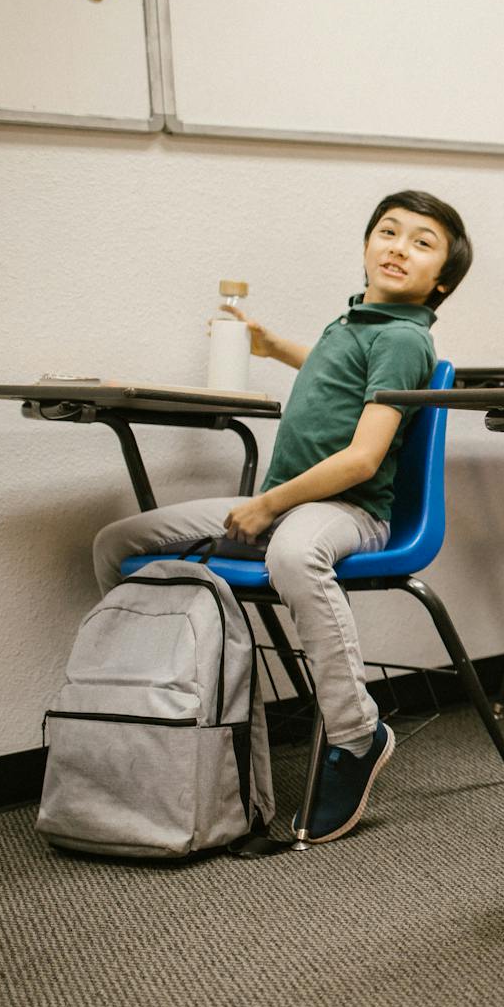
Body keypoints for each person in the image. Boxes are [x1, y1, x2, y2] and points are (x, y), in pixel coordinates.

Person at [93, 190, 464, 843]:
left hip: (351, 512)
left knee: (295, 555)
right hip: (289, 504)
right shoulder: (355, 323)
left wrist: (270, 503)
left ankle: (356, 735)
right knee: (118, 542)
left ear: (441, 282)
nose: (399, 247)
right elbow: (338, 371)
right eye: (388, 231)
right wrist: (272, 346)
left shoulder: (406, 338)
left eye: (421, 242)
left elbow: (363, 459)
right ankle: (152, 707)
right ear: (366, 244)